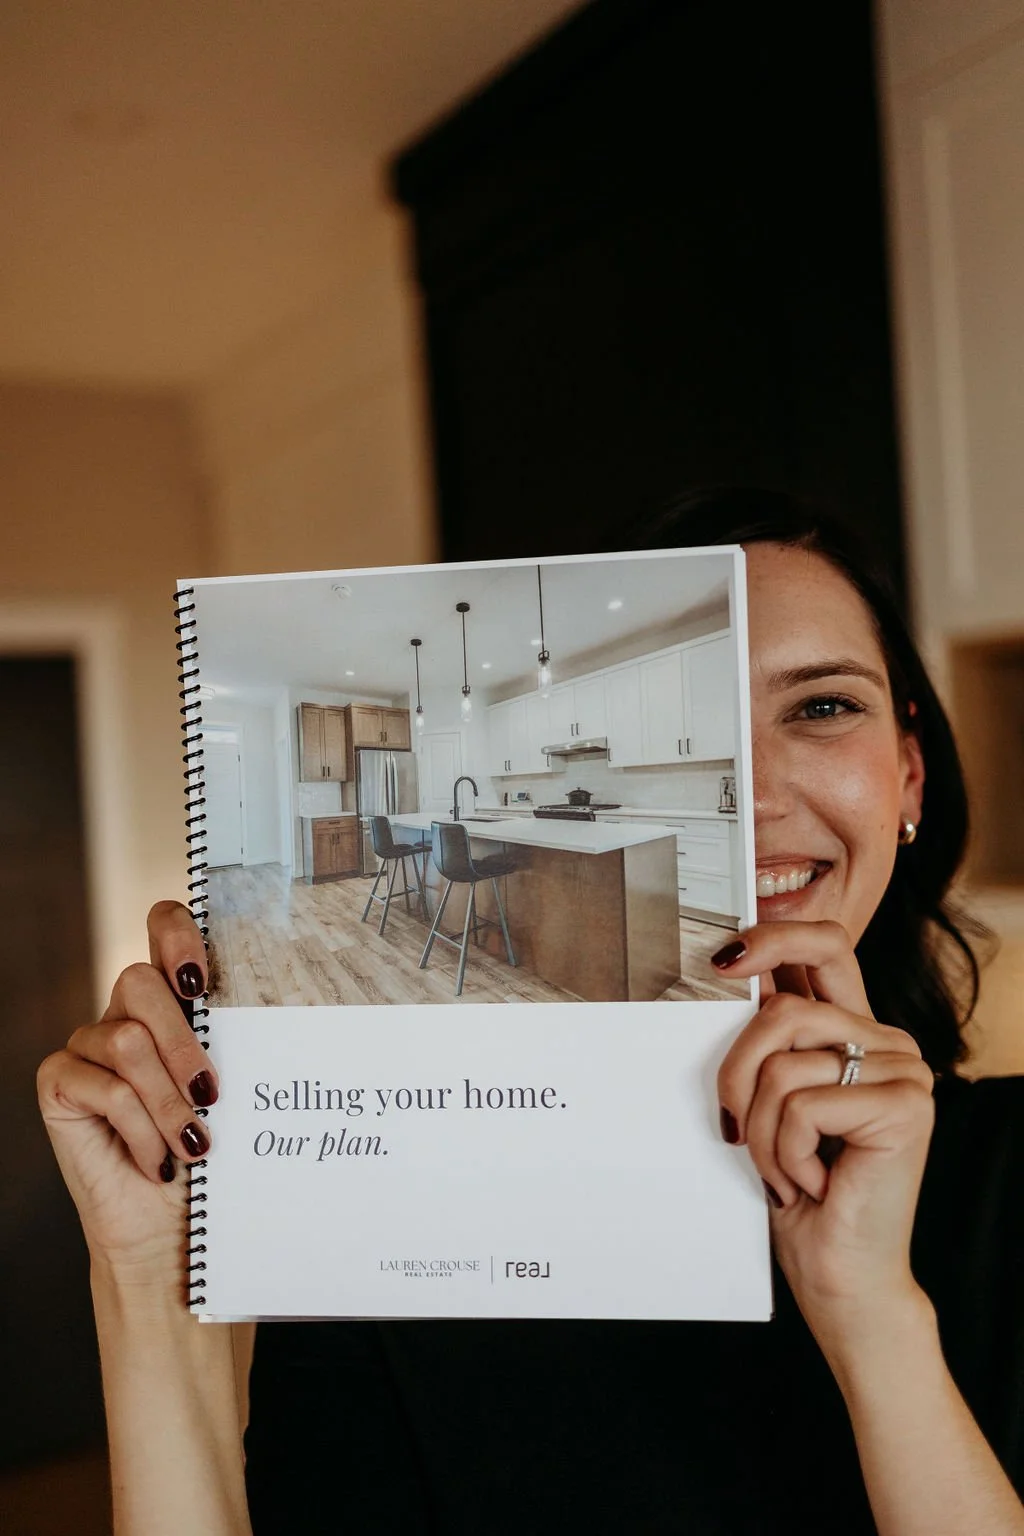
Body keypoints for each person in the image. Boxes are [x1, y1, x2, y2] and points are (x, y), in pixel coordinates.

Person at [37, 490, 1024, 1535]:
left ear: (907, 772)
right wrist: (146, 1281)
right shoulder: (402, 1210)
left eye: (820, 707)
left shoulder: (1006, 1175)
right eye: (725, 735)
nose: (756, 793)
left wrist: (870, 1310)